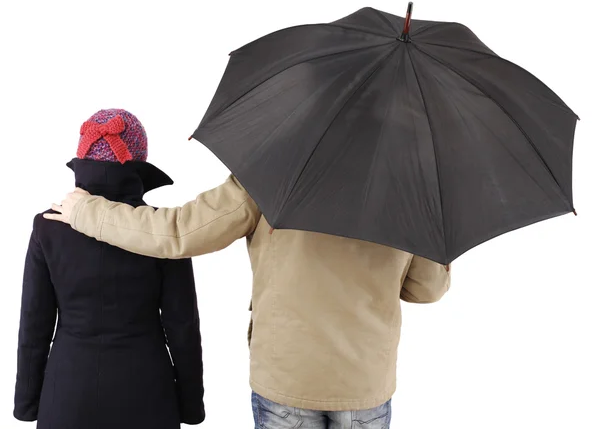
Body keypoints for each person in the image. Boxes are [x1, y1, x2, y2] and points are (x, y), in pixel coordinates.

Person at [46, 139, 451, 429]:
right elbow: (425, 288)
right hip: (365, 383)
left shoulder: (273, 166)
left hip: (286, 377)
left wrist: (87, 212)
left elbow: (178, 234)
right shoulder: (410, 183)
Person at [16, 109, 205, 429]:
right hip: (147, 394)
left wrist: (27, 403)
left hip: (67, 394)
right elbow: (182, 326)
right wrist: (190, 406)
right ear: (140, 159)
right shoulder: (162, 229)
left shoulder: (48, 226)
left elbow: (34, 326)